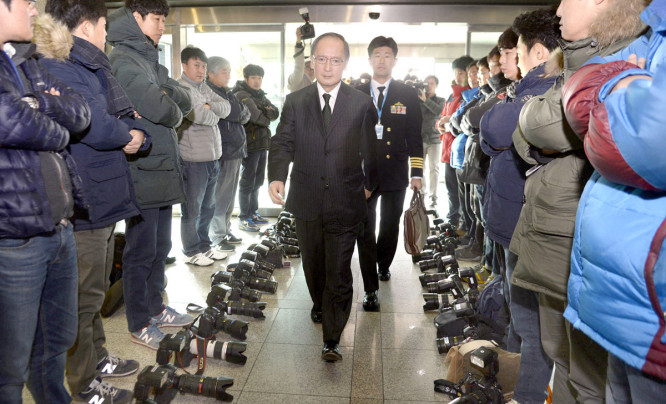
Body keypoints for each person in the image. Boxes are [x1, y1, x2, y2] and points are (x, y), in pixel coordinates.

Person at [37, 0, 153, 401]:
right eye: (103, 24)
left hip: (105, 195)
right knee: (81, 300)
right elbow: (95, 123)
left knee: (96, 288)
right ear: (87, 27)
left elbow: (129, 117)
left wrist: (133, 131)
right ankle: (84, 382)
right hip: (85, 197)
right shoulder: (61, 66)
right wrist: (128, 135)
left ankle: (98, 357)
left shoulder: (91, 66)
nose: (106, 32)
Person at [561, 0, 665, 402]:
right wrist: (623, 84)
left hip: (649, 294)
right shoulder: (651, 33)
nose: (558, 9)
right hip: (625, 289)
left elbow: (648, 138)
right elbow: (574, 98)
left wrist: (615, 84)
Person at [0, 0, 92, 401]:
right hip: (14, 238)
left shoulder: (28, 61)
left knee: (55, 343)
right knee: (9, 363)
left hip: (58, 229)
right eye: (26, 2)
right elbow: (9, 120)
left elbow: (80, 111)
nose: (35, 10)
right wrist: (56, 131)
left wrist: (40, 105)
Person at [268, 32, 379, 362]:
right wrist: (276, 174)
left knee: (339, 271)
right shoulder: (296, 101)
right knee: (315, 266)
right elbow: (282, 142)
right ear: (312, 61)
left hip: (346, 200)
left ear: (344, 63)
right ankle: (319, 302)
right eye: (321, 59)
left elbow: (370, 151)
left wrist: (369, 186)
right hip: (306, 199)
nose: (328, 67)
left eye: (335, 60)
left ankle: (332, 337)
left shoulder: (360, 103)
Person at [107, 0, 194, 350]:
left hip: (160, 168)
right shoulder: (125, 61)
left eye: (162, 19)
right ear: (136, 17)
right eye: (156, 19)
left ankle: (156, 309)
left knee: (160, 246)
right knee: (140, 251)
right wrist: (166, 104)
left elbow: (182, 100)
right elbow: (166, 112)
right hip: (142, 171)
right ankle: (139, 321)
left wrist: (166, 98)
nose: (161, 26)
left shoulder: (148, 58)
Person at [355, 36, 423, 311]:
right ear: (370, 59)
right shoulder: (356, 92)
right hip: (364, 172)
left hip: (395, 170)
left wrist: (416, 172)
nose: (382, 60)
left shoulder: (407, 93)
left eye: (387, 56)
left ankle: (383, 264)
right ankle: (370, 287)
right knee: (365, 227)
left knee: (390, 224)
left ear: (394, 60)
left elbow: (414, 135)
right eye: (377, 55)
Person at [176, 46, 231, 266]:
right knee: (192, 209)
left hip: (212, 156)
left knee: (208, 206)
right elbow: (198, 115)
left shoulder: (203, 88)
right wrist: (212, 112)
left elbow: (226, 108)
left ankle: (204, 246)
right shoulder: (181, 88)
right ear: (184, 65)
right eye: (196, 65)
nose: (200, 70)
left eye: (203, 66)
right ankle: (190, 251)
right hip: (193, 159)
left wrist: (211, 108)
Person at [207, 56, 251, 252]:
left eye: (228, 71)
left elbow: (245, 113)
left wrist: (238, 113)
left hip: (235, 150)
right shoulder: (209, 92)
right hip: (222, 150)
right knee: (220, 195)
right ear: (211, 74)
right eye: (224, 71)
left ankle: (225, 230)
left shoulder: (227, 92)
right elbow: (235, 113)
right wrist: (238, 113)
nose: (228, 75)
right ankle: (216, 235)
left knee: (229, 195)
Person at [233, 64, 279, 232]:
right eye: (253, 77)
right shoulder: (241, 94)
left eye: (259, 78)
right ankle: (243, 217)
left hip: (261, 144)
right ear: (246, 79)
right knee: (247, 181)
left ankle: (253, 212)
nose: (257, 81)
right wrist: (265, 113)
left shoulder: (259, 95)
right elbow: (258, 117)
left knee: (258, 181)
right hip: (249, 143)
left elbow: (276, 112)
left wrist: (266, 112)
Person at [437, 55, 473, 230]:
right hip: (447, 149)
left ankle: (461, 225)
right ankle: (452, 220)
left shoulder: (470, 96)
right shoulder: (451, 96)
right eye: (456, 73)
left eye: (462, 73)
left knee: (462, 194)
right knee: (451, 190)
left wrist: (451, 120)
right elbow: (442, 118)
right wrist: (440, 125)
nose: (459, 77)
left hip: (460, 152)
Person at [419, 75, 446, 208]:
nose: (429, 86)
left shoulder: (441, 100)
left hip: (435, 139)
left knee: (434, 168)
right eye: (427, 83)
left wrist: (425, 100)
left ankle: (433, 197)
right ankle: (421, 194)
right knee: (420, 168)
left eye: (432, 83)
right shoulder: (417, 100)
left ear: (436, 85)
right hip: (420, 138)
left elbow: (438, 111)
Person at [287, 26, 314, 93]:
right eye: (308, 67)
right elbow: (299, 66)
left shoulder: (314, 86)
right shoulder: (296, 80)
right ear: (303, 68)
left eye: (313, 69)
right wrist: (298, 42)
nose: (311, 71)